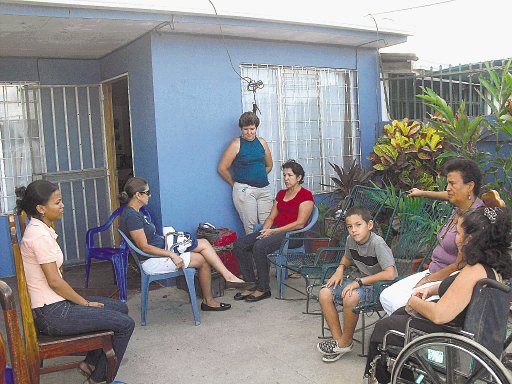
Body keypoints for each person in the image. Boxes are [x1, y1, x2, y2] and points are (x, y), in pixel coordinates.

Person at [364, 206, 512, 383]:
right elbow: (460, 285)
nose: (456, 238)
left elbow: (440, 314)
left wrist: (414, 300)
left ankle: (382, 378)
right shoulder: (491, 267)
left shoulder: (474, 270)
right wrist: (431, 288)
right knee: (399, 315)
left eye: (458, 233)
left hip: (451, 338)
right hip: (471, 334)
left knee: (385, 328)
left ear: (470, 239)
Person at [16, 180, 135, 384]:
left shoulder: (39, 229)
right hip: (53, 313)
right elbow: (54, 282)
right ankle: (99, 379)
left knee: (120, 309)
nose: (62, 206)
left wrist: (82, 302)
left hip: (55, 304)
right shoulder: (38, 237)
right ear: (41, 208)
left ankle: (90, 363)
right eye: (58, 202)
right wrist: (84, 303)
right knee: (125, 324)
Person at [119, 177, 251, 312]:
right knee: (203, 259)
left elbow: (149, 238)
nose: (150, 195)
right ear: (138, 195)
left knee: (204, 243)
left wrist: (169, 239)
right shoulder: (132, 217)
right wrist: (172, 254)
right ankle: (214, 294)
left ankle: (225, 279)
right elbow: (144, 246)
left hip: (161, 250)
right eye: (147, 192)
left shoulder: (134, 213)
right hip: (153, 260)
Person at [380, 158, 485, 315]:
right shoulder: (461, 205)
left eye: (452, 183)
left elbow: (460, 265)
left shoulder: (474, 221)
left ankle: (409, 334)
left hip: (448, 279)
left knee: (398, 306)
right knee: (386, 297)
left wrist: (429, 279)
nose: (448, 188)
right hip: (434, 270)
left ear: (470, 186)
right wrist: (422, 193)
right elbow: (446, 194)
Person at [316, 206, 397, 362]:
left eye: (358, 225)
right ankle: (340, 341)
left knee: (350, 296)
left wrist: (360, 282)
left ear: (370, 225)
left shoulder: (377, 243)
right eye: (349, 226)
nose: (353, 230)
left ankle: (344, 342)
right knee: (324, 292)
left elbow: (390, 273)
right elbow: (347, 257)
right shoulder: (350, 240)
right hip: (362, 283)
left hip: (381, 287)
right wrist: (340, 268)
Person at [233, 160, 314, 302]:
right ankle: (251, 284)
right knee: (240, 244)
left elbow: (300, 224)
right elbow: (271, 217)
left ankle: (263, 289)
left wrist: (273, 232)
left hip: (293, 236)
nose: (286, 179)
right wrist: (265, 230)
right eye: (284, 175)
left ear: (299, 177)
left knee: (259, 246)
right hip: (275, 231)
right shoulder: (281, 194)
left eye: (290, 175)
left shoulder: (306, 196)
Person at [218, 111, 273, 234]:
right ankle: (253, 253)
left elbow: (269, 165)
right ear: (241, 129)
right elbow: (222, 168)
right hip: (245, 191)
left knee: (267, 228)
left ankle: (266, 253)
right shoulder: (236, 144)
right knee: (251, 230)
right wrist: (236, 184)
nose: (249, 132)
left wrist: (259, 175)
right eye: (245, 129)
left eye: (252, 129)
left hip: (264, 190)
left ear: (256, 128)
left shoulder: (262, 142)